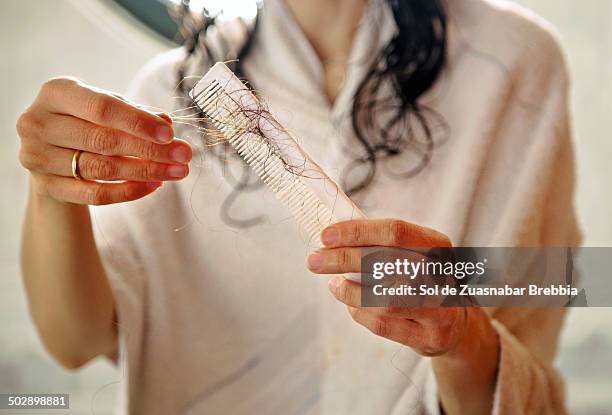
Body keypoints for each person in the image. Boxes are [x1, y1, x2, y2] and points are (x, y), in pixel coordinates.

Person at [16, 0, 580, 413]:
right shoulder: (169, 88)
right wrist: (51, 188)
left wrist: (461, 331)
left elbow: (568, 280)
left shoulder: (517, 63)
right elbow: (76, 341)